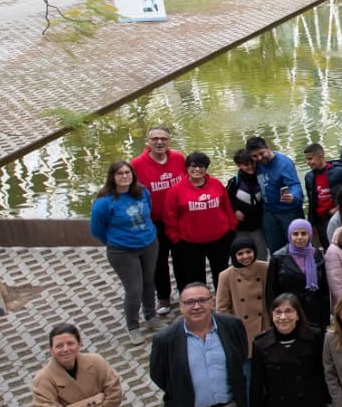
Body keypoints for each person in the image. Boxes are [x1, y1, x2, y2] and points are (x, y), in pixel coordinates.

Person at [89, 161, 159, 332]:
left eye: (127, 172)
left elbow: (149, 210)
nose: (124, 176)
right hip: (123, 251)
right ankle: (133, 326)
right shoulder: (104, 202)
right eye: (119, 173)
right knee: (134, 289)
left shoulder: (141, 192)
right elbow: (96, 229)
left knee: (149, 282)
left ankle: (151, 316)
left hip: (149, 244)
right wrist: (116, 241)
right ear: (112, 177)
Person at [130, 126, 184, 315]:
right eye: (155, 139)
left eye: (163, 138)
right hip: (154, 222)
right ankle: (163, 297)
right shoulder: (136, 164)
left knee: (182, 258)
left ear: (169, 141)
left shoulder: (178, 158)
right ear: (148, 141)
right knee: (158, 261)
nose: (159, 142)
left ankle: (186, 293)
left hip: (178, 219)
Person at [167, 151, 237, 290]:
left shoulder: (216, 184)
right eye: (193, 166)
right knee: (195, 276)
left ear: (206, 168)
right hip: (190, 242)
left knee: (221, 273)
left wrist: (231, 228)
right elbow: (170, 217)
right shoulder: (176, 190)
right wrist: (175, 239)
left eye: (201, 166)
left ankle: (223, 301)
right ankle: (199, 302)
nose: (197, 170)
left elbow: (227, 207)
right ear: (187, 167)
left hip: (219, 239)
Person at [246, 135, 305, 255]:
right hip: (268, 213)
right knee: (275, 250)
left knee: (296, 247)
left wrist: (293, 196)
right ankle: (278, 271)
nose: (259, 158)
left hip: (288, 212)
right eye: (254, 156)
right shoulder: (256, 164)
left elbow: (295, 185)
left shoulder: (284, 163)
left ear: (268, 147)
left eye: (261, 153)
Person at [267, 218, 331, 330]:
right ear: (290, 235)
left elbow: (324, 289)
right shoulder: (279, 257)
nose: (300, 237)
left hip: (314, 311)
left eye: (304, 233)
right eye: (295, 234)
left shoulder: (317, 255)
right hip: (288, 311)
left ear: (309, 235)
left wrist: (325, 319)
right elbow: (271, 291)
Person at [215, 235, 268, 355]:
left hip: (265, 325)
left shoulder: (266, 268)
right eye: (240, 253)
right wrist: (232, 328)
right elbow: (222, 308)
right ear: (234, 255)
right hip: (243, 329)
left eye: (249, 252)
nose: (245, 256)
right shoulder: (226, 276)